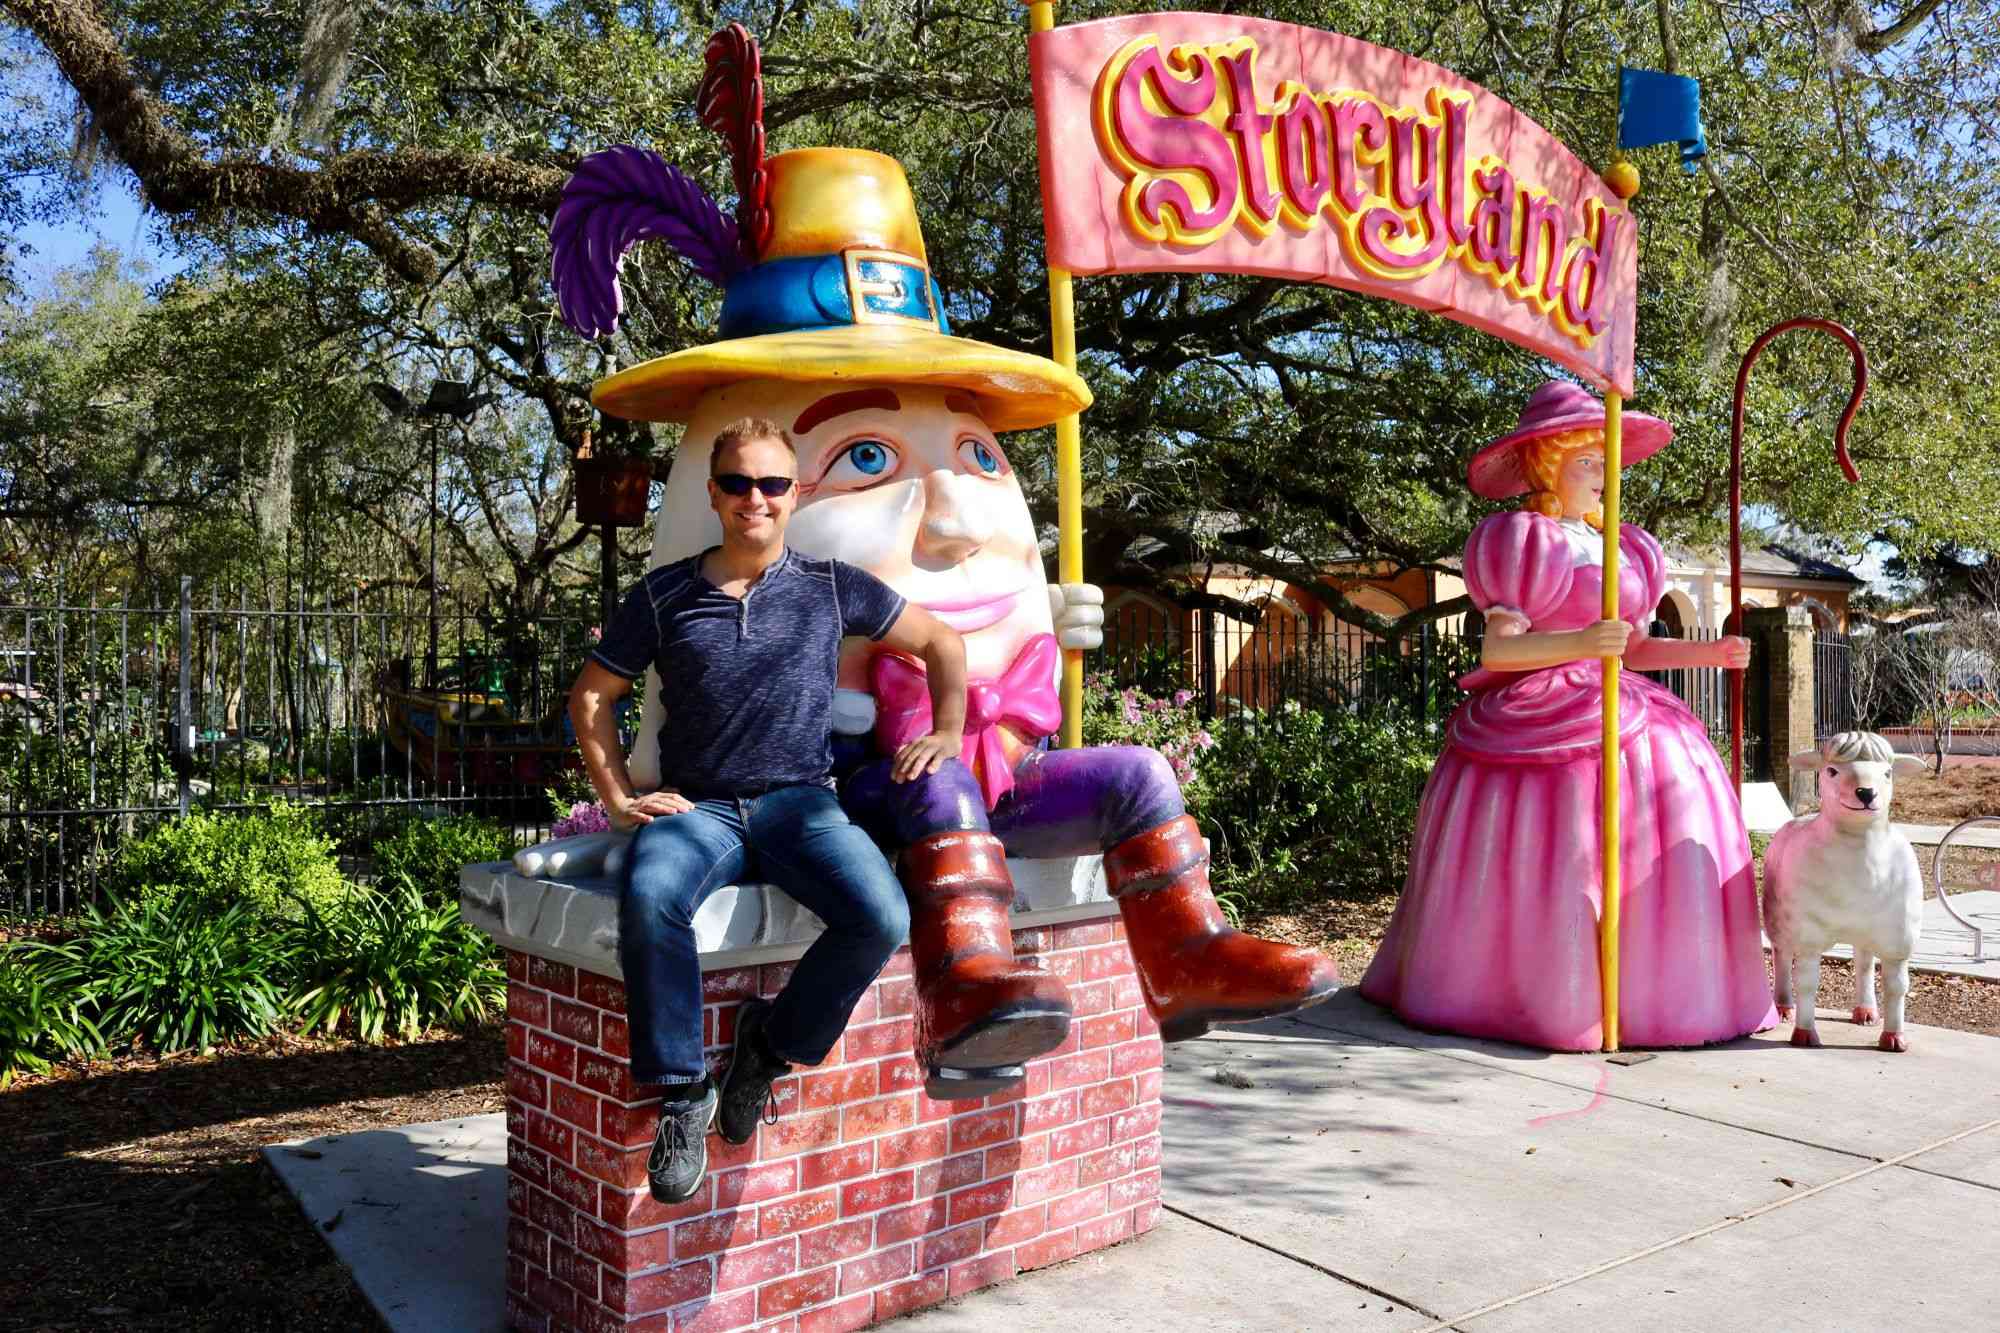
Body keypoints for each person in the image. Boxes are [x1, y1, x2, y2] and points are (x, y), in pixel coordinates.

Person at [568, 416, 967, 1204]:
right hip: (701, 810)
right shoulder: (664, 595)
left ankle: (768, 1049)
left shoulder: (831, 585)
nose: (756, 497)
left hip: (800, 806)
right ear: (714, 494)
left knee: (881, 913)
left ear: (795, 493)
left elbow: (942, 643)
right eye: (738, 482)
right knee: (651, 894)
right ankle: (684, 1093)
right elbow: (590, 695)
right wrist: (617, 798)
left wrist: (948, 730)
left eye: (772, 483)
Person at [1359, 380, 1779, 1050]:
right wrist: (1584, 642)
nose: (1602, 475)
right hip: (1543, 705)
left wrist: (1709, 652)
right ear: (1548, 467)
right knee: (1562, 832)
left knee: (1679, 759)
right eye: (1587, 461)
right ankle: (1535, 992)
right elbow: (1500, 649)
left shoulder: (1626, 547)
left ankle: (1663, 992)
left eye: (1605, 461)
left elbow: (1631, 648)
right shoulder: (1523, 542)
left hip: (1624, 700)